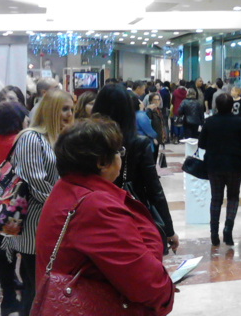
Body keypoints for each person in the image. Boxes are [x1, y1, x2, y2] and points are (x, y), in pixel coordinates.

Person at [36, 117, 175, 315]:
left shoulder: (67, 188)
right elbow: (148, 284)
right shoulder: (96, 206)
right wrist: (165, 291)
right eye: (118, 151)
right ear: (102, 162)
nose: (121, 157)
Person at [1, 89, 75, 316]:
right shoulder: (31, 138)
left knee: (46, 288)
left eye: (71, 109)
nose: (69, 114)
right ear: (50, 110)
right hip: (35, 226)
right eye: (64, 109)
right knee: (35, 289)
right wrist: (66, 207)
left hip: (55, 222)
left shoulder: (60, 137)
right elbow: (35, 182)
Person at [92, 84, 179, 254]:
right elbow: (154, 190)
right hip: (131, 213)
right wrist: (169, 230)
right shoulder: (136, 142)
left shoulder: (88, 140)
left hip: (95, 212)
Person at [0, 101, 29, 316]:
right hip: (12, 210)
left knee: (4, 259)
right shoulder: (18, 141)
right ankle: (17, 301)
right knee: (20, 256)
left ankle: (8, 300)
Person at [199, 93, 241, 246]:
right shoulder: (239, 122)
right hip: (235, 165)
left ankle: (214, 232)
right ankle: (228, 229)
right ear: (231, 106)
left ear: (216, 105)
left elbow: (201, 144)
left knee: (216, 198)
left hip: (214, 165)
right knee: (233, 197)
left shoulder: (210, 121)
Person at [146, 92, 167, 162]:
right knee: (152, 157)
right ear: (151, 101)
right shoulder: (149, 111)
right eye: (155, 100)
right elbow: (148, 125)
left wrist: (163, 136)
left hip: (158, 137)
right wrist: (153, 137)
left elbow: (161, 124)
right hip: (152, 138)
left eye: (158, 99)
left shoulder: (158, 110)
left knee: (155, 156)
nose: (157, 101)